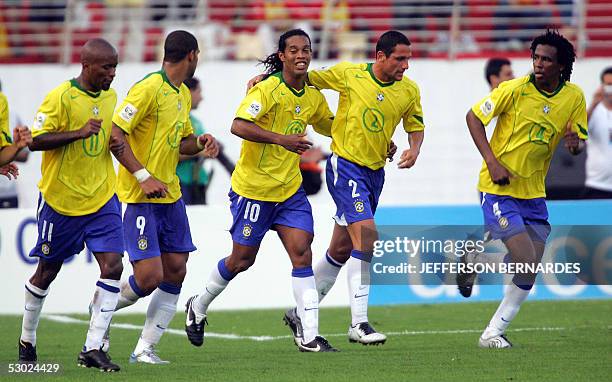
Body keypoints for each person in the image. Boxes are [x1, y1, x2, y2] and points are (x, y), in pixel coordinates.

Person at [184, 29, 339, 352]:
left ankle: (309, 334)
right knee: (241, 260)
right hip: (252, 190)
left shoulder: (312, 96)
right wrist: (283, 139)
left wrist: (368, 137)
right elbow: (238, 125)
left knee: (302, 251)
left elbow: (331, 124)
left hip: (289, 192)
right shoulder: (267, 90)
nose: (301, 55)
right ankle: (198, 304)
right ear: (281, 56)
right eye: (293, 50)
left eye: (306, 50)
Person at [273, 30, 424, 346]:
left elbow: (415, 125)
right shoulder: (348, 74)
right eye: (400, 58)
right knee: (367, 235)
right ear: (380, 56)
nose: (406, 65)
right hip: (345, 167)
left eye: (408, 58)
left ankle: (300, 312)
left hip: (374, 174)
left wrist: (414, 148)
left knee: (342, 249)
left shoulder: (409, 91)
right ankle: (359, 323)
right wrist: (265, 79)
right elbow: (304, 77)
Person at [462, 29, 587, 348]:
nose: (538, 64)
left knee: (528, 270)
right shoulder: (514, 89)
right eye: (536, 57)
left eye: (546, 59)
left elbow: (577, 144)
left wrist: (574, 145)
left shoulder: (573, 97)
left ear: (561, 65)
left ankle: (491, 328)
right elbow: (473, 117)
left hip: (534, 194)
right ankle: (491, 332)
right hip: (498, 187)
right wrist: (491, 161)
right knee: (525, 258)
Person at [108, 30, 219, 364]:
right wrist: (142, 177)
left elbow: (182, 143)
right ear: (192, 56)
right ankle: (102, 307)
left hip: (170, 195)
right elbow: (115, 135)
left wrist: (199, 143)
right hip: (140, 197)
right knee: (149, 277)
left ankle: (145, 348)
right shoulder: (147, 88)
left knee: (176, 270)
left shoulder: (182, 94)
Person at [17, 39, 123, 371]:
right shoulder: (61, 97)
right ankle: (27, 337)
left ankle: (93, 347)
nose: (112, 74)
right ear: (86, 65)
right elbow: (34, 141)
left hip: (103, 197)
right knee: (47, 272)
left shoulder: (111, 97)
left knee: (114, 266)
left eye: (115, 67)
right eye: (106, 67)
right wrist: (76, 133)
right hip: (61, 201)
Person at [177, 76, 235, 205]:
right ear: (188, 92)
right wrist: (200, 152)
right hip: (180, 185)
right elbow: (168, 153)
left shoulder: (196, 122)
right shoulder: (176, 121)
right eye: (199, 92)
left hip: (198, 184)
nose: (201, 97)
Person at [583, 67, 612, 198]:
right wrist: (594, 102)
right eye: (609, 85)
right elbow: (578, 128)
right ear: (603, 87)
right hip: (597, 185)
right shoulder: (595, 111)